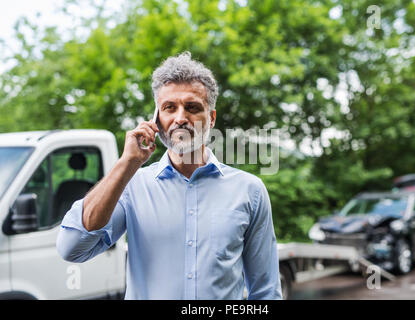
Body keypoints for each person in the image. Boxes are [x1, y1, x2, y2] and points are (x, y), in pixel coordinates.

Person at [56, 52, 282, 300]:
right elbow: (72, 248)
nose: (181, 118)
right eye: (169, 108)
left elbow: (266, 292)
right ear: (157, 120)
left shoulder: (250, 190)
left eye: (193, 107)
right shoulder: (132, 186)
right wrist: (127, 163)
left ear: (212, 118)